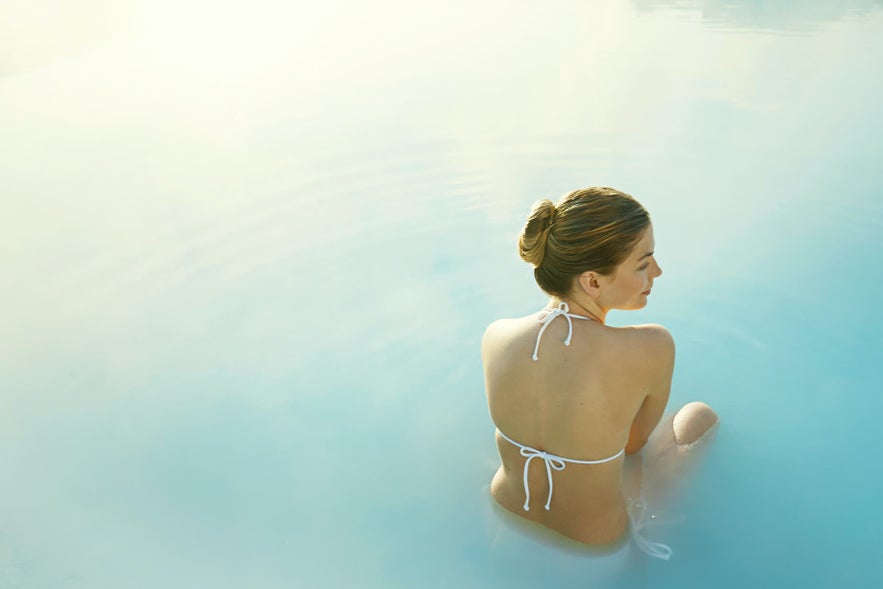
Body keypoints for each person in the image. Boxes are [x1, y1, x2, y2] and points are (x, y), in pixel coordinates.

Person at [481, 186, 718, 551]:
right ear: (592, 282)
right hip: (593, 543)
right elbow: (632, 447)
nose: (658, 271)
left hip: (507, 511)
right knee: (698, 417)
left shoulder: (496, 335)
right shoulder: (652, 346)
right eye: (644, 263)